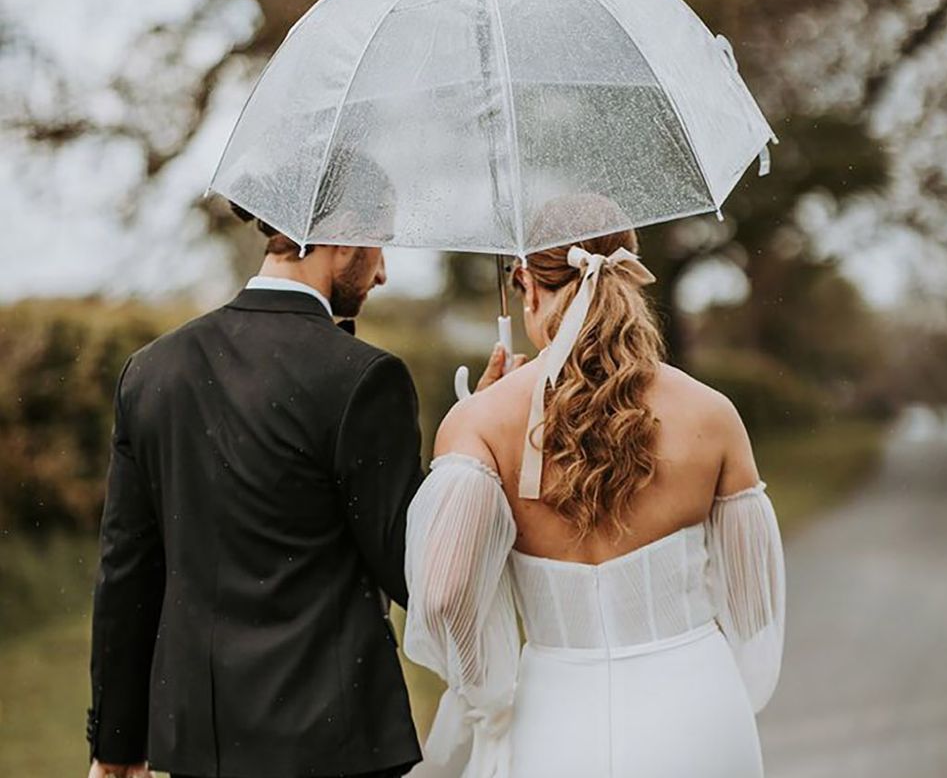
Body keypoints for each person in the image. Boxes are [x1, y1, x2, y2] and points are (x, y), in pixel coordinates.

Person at [85, 157, 516, 778]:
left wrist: (117, 746)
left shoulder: (153, 370)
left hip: (197, 751)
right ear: (340, 238)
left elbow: (127, 571)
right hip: (334, 748)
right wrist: (474, 438)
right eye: (379, 243)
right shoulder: (364, 379)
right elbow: (411, 569)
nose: (384, 272)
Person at [403, 225, 786, 778]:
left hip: (556, 721)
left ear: (526, 286)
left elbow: (441, 599)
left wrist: (488, 694)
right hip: (699, 714)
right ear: (631, 280)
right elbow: (755, 608)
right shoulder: (712, 414)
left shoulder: (480, 424)